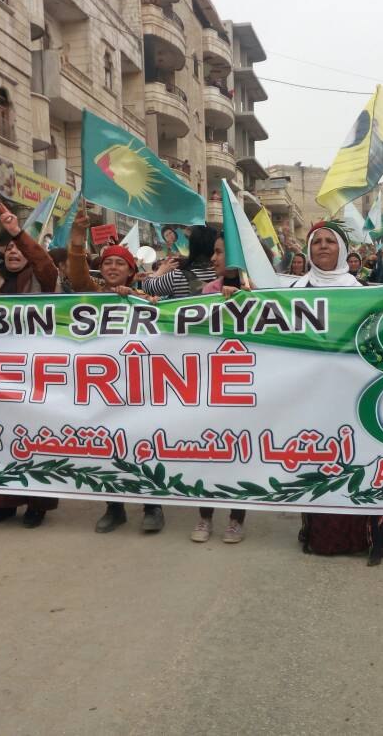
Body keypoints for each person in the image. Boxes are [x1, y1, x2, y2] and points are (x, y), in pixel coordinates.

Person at [291, 221, 383, 565]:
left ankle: (368, 537)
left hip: (356, 392)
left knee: (361, 459)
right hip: (312, 395)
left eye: (329, 241)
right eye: (316, 241)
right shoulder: (293, 291)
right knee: (322, 459)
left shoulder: (362, 291)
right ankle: (322, 536)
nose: (322, 246)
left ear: (342, 250)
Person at [0, 201, 62, 527]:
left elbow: (44, 262)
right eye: (7, 248)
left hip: (35, 370)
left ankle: (37, 503)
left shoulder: (43, 279)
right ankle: (1, 502)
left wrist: (17, 232)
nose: (13, 252)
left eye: (18, 248)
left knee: (36, 435)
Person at [68, 206, 163, 533]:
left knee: (144, 444)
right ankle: (114, 507)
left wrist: (136, 299)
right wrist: (78, 235)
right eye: (107, 263)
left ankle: (153, 506)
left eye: (119, 263)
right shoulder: (92, 296)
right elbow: (78, 275)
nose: (111, 267)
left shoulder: (144, 300)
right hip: (103, 387)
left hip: (139, 387)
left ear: (131, 272)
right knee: (107, 445)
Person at [191, 234, 248, 544]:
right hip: (212, 384)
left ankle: (236, 519)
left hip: (246, 385)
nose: (213, 259)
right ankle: (205, 516)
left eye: (219, 252)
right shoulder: (208, 291)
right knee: (208, 451)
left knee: (240, 452)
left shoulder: (261, 290)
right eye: (213, 252)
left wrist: (244, 298)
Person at [143, 225, 218, 299]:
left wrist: (160, 272)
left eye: (188, 239)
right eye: (167, 235)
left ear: (192, 246)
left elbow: (147, 287)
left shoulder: (177, 277)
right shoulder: (221, 274)